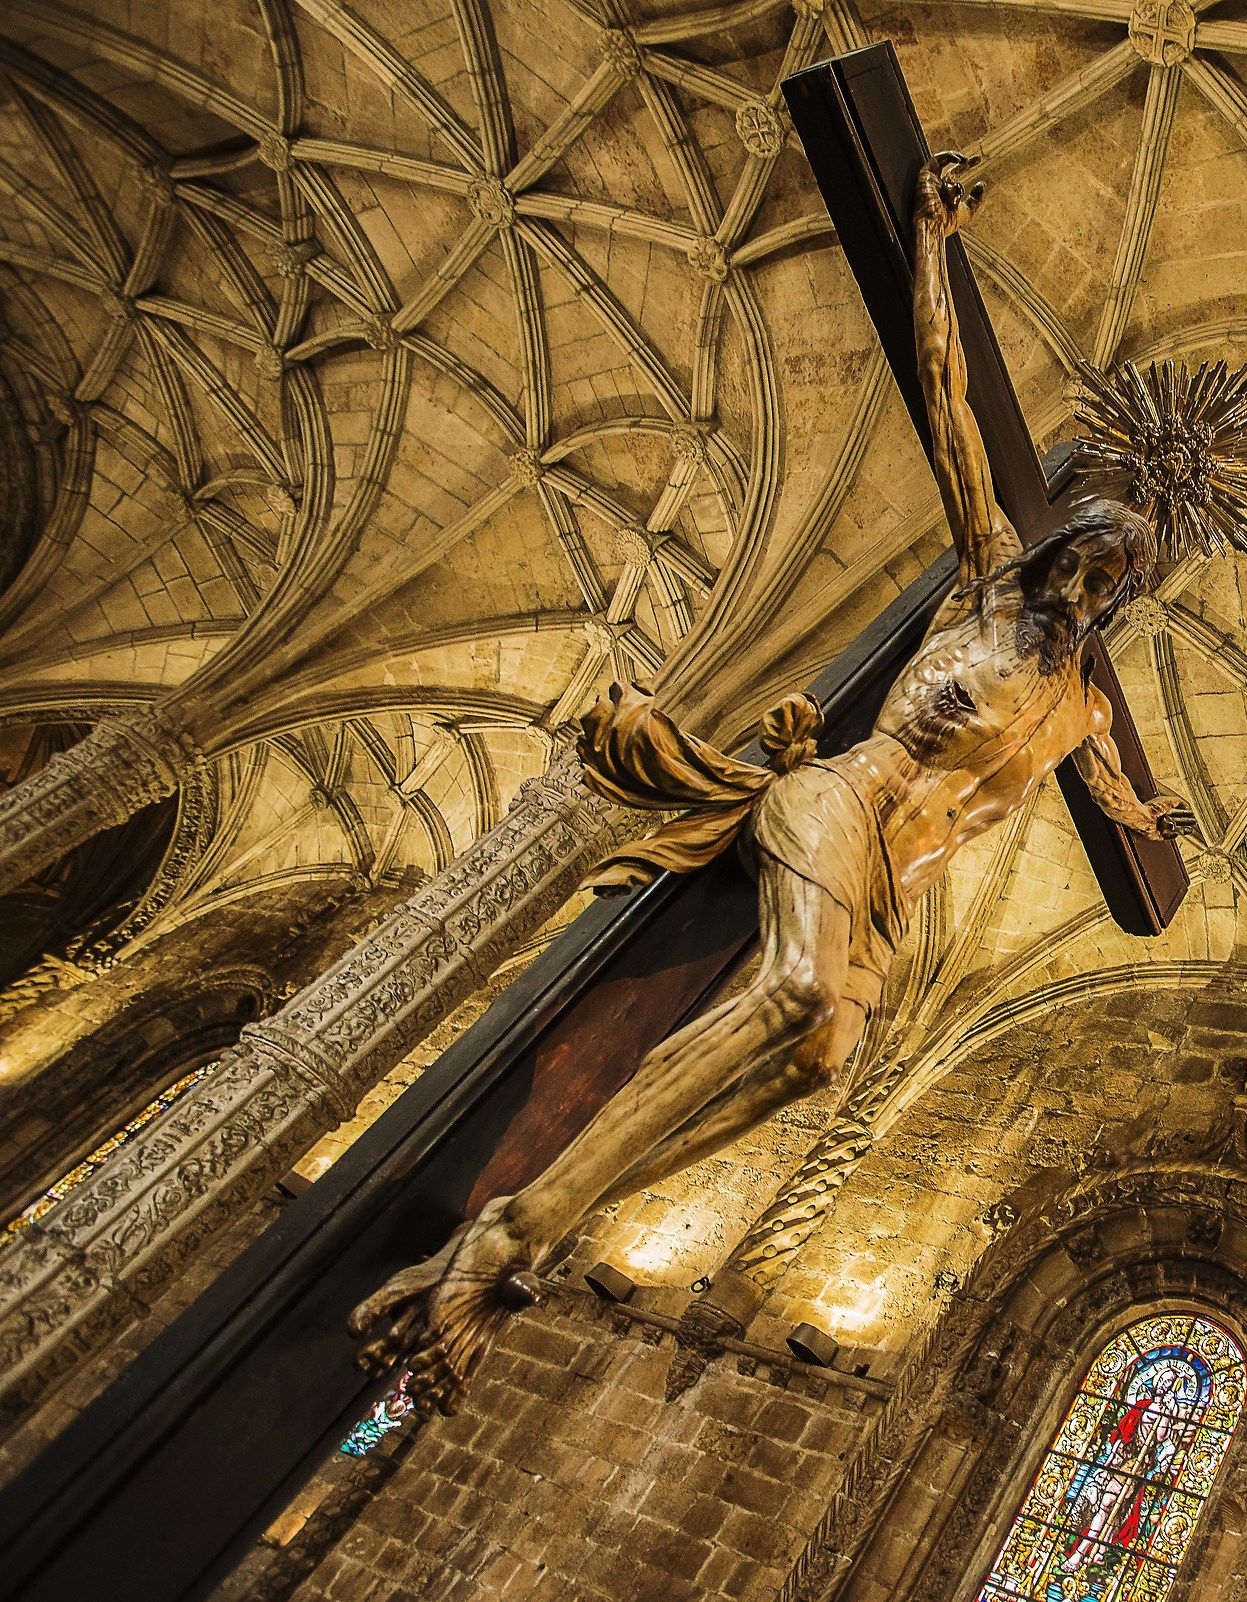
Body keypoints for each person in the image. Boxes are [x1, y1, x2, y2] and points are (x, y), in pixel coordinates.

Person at [351, 153, 1196, 1406]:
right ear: (1060, 547)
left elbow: (1138, 817)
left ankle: (544, 1216)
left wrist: (1162, 816)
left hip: (897, 895)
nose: (1081, 588)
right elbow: (949, 394)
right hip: (840, 796)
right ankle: (512, 1237)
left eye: (1109, 582)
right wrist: (930, 242)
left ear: (1126, 597)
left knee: (814, 1063)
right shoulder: (983, 578)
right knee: (799, 997)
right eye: (1080, 563)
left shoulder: (1084, 709)